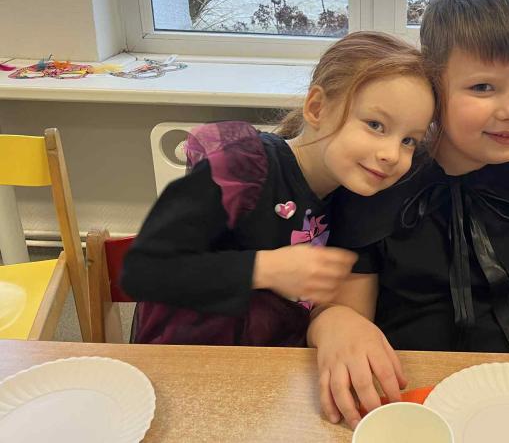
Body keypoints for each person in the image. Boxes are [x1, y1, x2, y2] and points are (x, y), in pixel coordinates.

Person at [308, 0, 509, 428]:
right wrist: (336, 323)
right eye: (483, 88)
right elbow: (347, 310)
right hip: (407, 395)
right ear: (435, 89)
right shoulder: (381, 180)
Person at [121, 31, 435, 347]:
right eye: (375, 125)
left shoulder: (348, 198)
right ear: (317, 108)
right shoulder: (243, 167)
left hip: (272, 366)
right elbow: (145, 270)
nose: (392, 154)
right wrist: (265, 268)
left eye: (409, 140)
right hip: (185, 359)